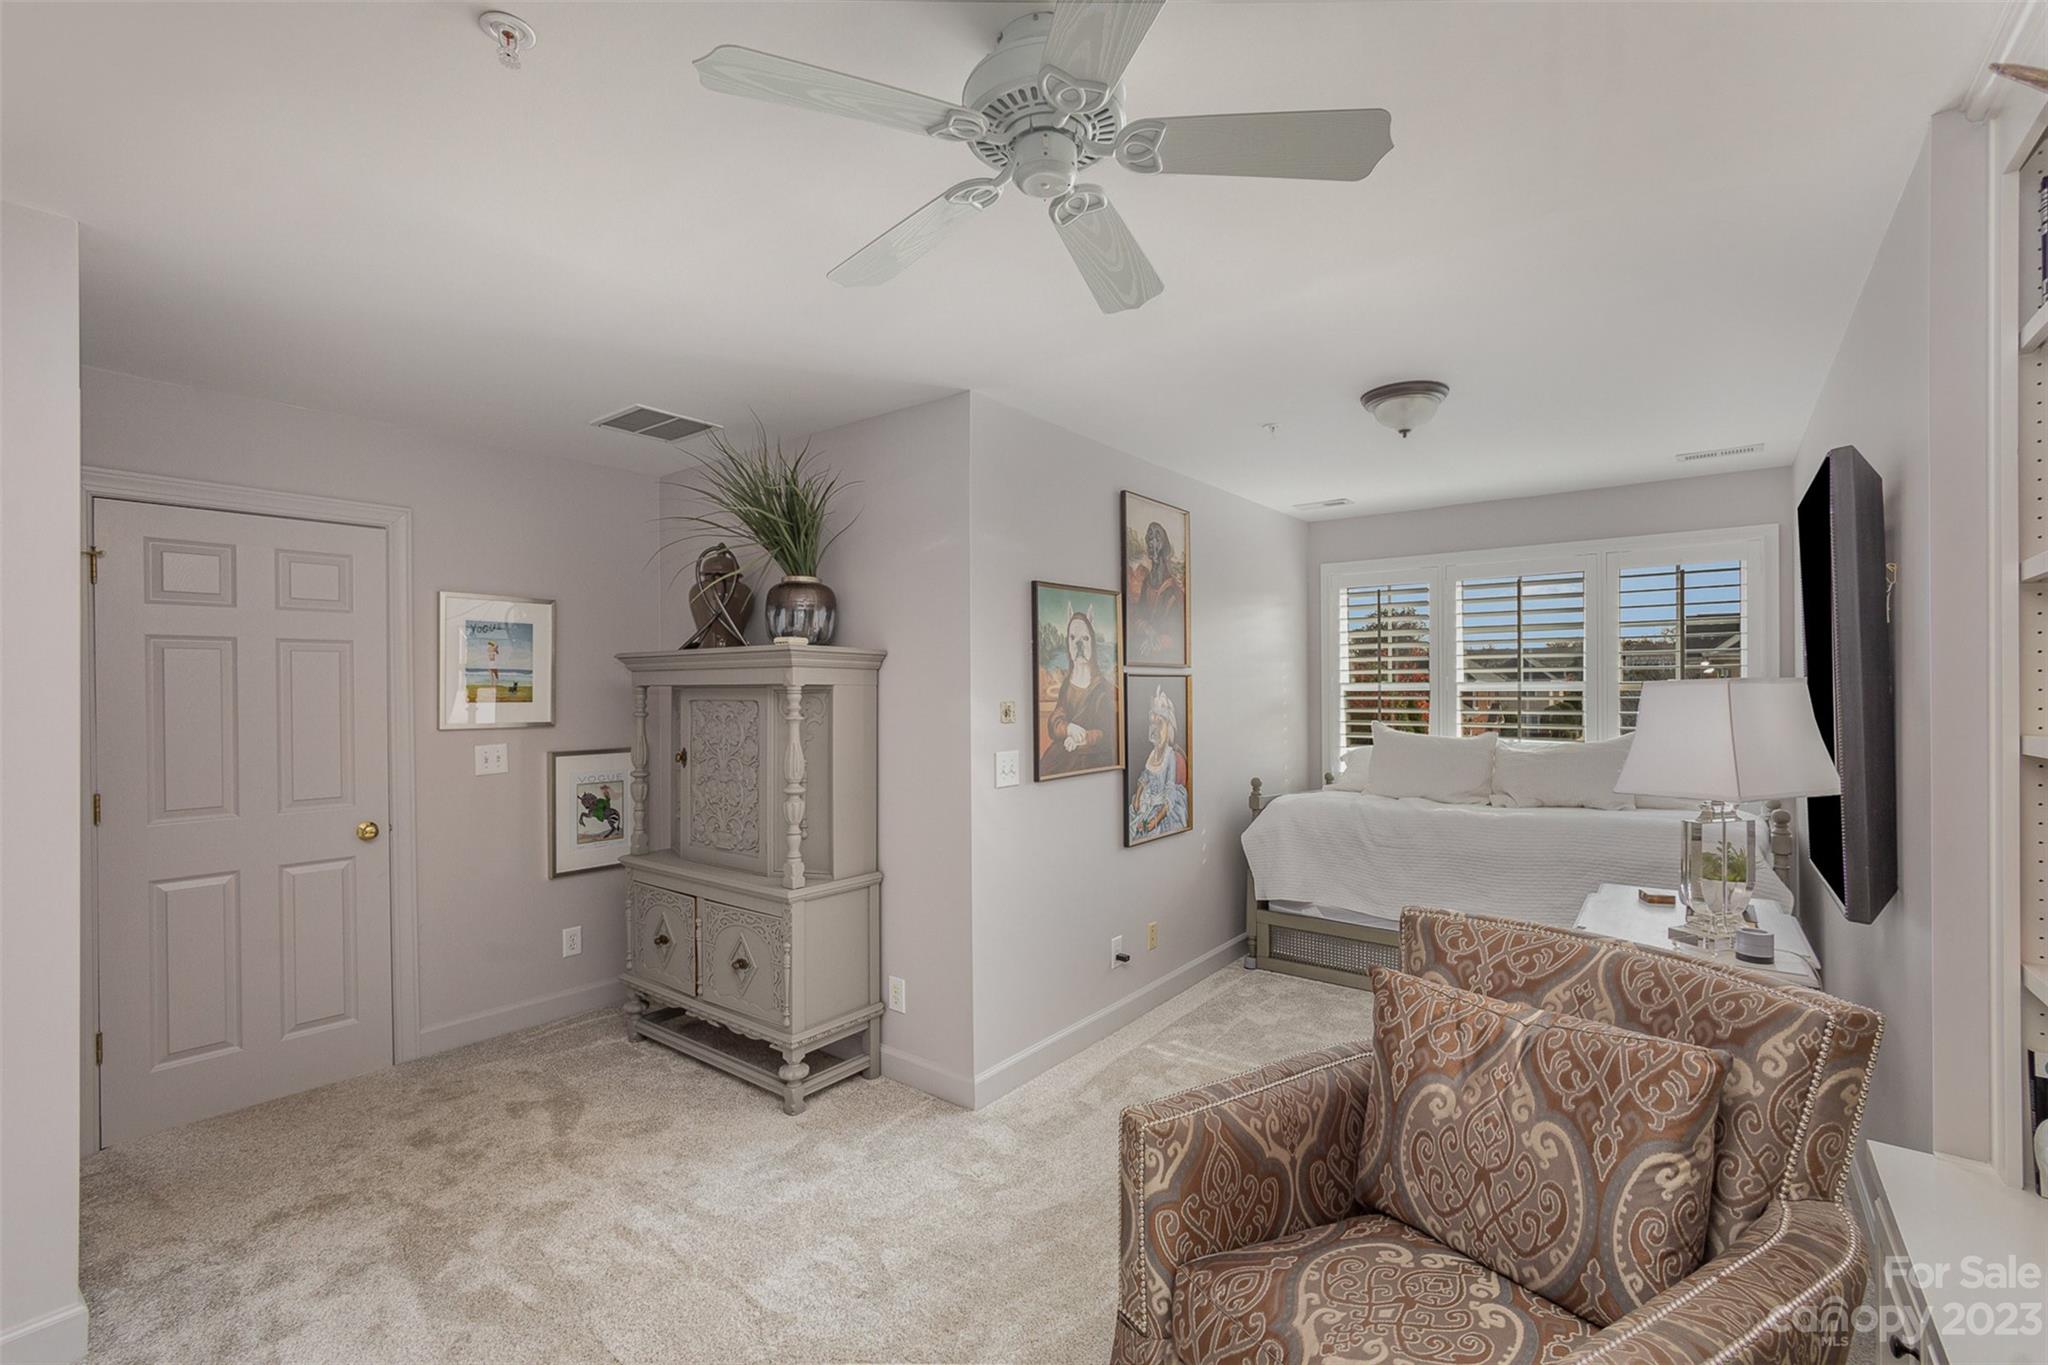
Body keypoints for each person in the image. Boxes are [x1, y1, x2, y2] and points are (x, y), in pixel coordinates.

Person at [1040, 610, 1117, 775]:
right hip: (1065, 748)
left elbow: (1106, 732)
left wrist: (1081, 739)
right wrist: (1069, 729)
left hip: (1092, 757)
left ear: (1092, 644)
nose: (1079, 643)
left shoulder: (1102, 688)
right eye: (1073, 638)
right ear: (1068, 644)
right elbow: (1055, 720)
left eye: (1085, 638)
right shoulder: (1067, 685)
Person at [1128, 685, 1189, 841]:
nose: (1154, 729)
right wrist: (1139, 794)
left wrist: (1158, 817)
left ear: (1168, 728)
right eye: (1152, 724)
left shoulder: (1171, 757)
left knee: (1151, 831)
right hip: (1148, 800)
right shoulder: (1153, 754)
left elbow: (1169, 787)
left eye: (1159, 724)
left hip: (1162, 805)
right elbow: (1145, 776)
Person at [1127, 520, 1186, 663]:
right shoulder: (1147, 581)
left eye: (1156, 539)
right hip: (1145, 643)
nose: (1152, 543)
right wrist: (1148, 631)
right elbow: (1138, 615)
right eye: (1150, 539)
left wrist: (1156, 639)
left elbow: (1176, 632)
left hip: (1166, 652)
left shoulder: (1172, 588)